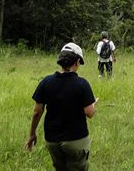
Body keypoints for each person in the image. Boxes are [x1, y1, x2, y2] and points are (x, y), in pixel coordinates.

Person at [26, 42, 98, 171]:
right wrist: (93, 104)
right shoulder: (82, 84)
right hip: (76, 140)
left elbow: (37, 112)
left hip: (52, 140)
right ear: (76, 62)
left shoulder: (46, 82)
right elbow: (90, 113)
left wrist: (32, 134)